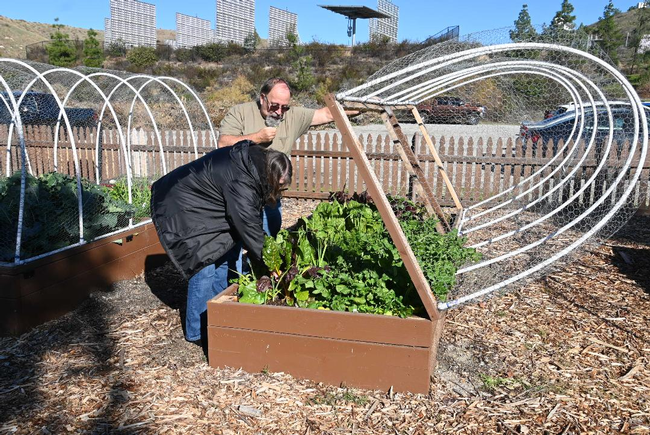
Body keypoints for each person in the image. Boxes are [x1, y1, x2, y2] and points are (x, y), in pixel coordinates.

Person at [150, 141, 292, 344]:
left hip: (204, 203)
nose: (278, 191)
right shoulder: (242, 180)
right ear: (270, 175)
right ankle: (197, 332)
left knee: (224, 254)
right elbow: (249, 228)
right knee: (204, 263)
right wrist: (270, 264)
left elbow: (250, 219)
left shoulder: (256, 165)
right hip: (181, 204)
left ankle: (217, 317)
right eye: (278, 186)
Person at [217, 77, 339, 237]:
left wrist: (364, 104)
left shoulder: (293, 116)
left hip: (271, 198)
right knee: (234, 242)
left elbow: (329, 113)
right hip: (240, 195)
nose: (279, 112)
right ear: (262, 98)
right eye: (274, 106)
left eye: (284, 108)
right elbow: (223, 143)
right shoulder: (240, 112)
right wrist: (257, 138)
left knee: (269, 243)